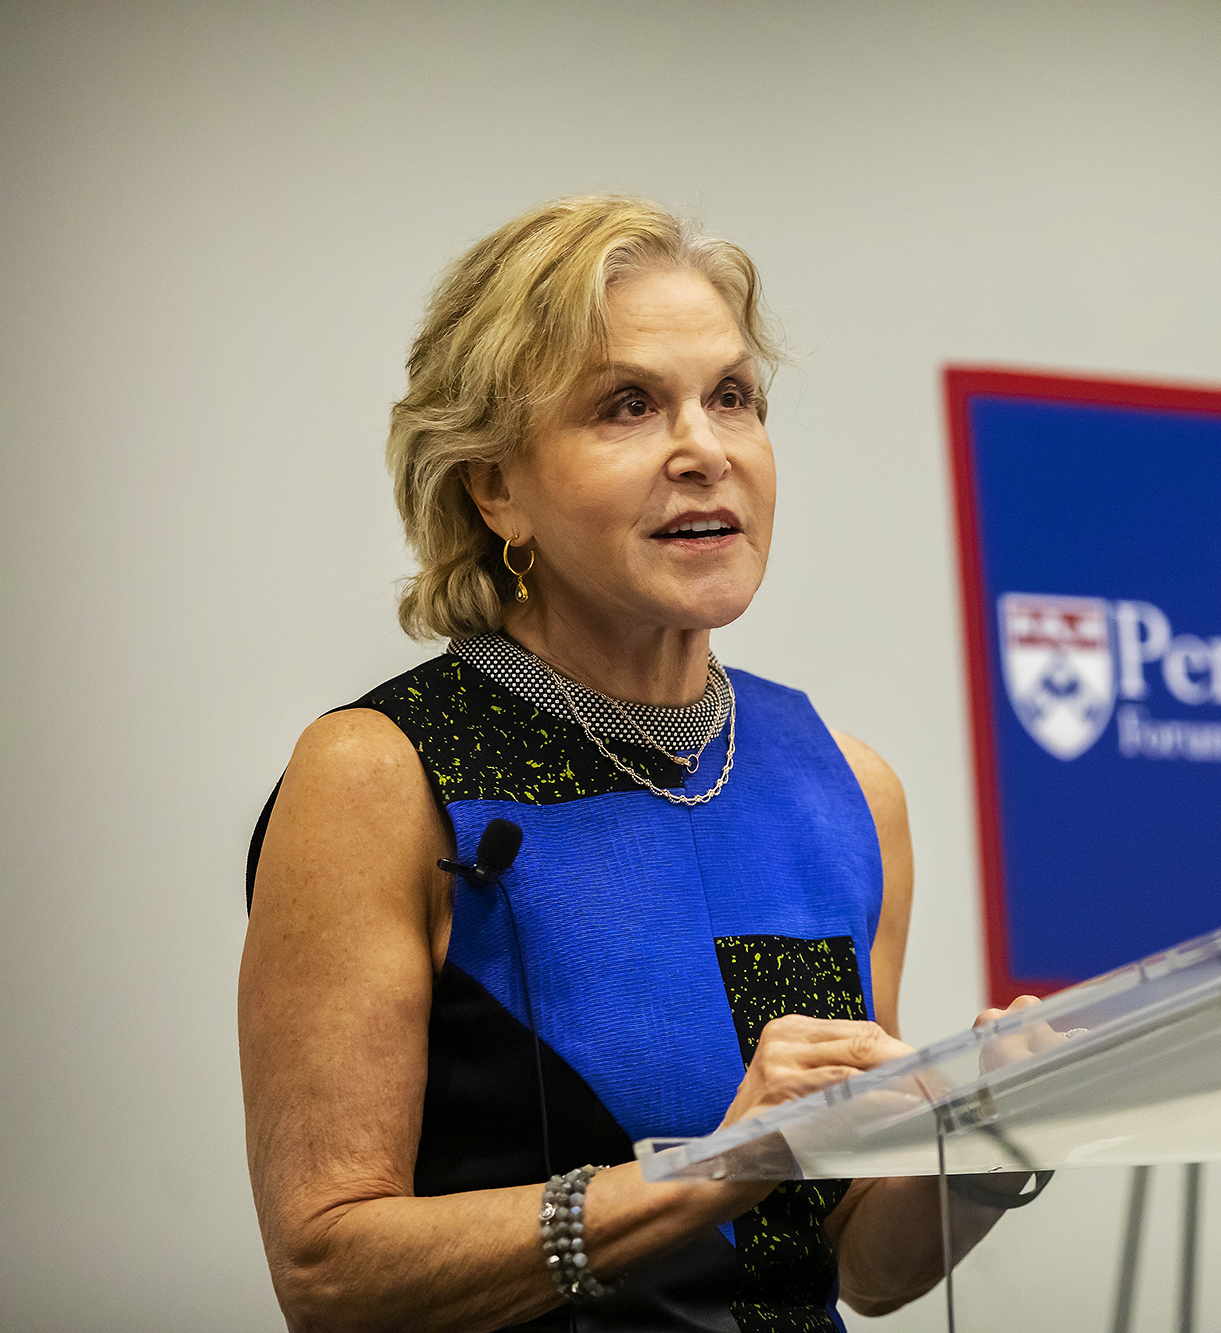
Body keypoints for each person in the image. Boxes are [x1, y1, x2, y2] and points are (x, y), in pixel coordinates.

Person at [239, 195, 1030, 1333]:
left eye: (732, 398)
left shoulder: (849, 790)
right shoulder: (380, 775)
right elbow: (330, 1271)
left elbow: (856, 1260)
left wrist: (999, 1129)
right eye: (626, 406)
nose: (703, 449)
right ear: (495, 486)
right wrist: (710, 1170)